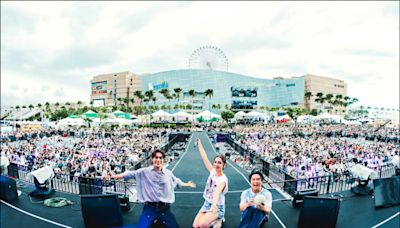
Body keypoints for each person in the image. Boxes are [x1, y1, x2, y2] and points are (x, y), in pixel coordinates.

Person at [104, 149, 196, 228]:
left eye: (160, 158)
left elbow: (176, 181)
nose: (158, 160)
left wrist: (187, 184)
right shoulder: (144, 171)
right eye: (156, 157)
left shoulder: (168, 173)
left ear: (163, 160)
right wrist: (113, 176)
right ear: (152, 159)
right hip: (150, 208)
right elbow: (129, 174)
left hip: (164, 208)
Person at [193, 138, 228, 228]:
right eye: (215, 162)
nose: (216, 164)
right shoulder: (212, 171)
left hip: (217, 207)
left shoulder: (223, 180)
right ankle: (214, 220)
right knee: (196, 225)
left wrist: (213, 206)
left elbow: (216, 192)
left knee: (202, 224)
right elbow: (204, 157)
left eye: (219, 163)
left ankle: (219, 218)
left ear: (224, 165)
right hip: (207, 203)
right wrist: (199, 144)